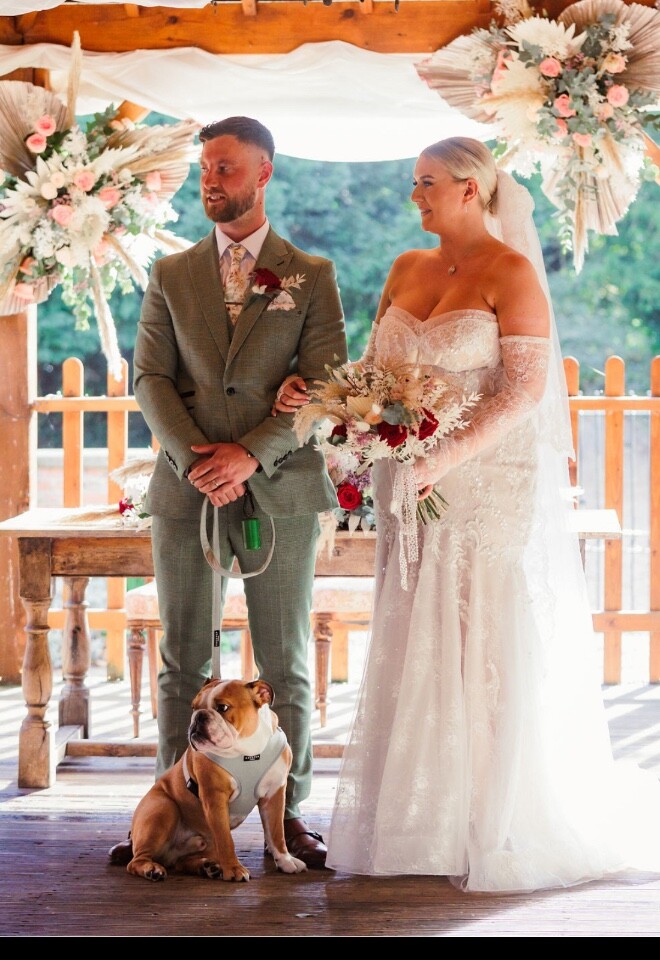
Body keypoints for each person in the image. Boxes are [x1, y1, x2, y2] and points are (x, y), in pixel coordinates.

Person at [273, 136, 660, 892]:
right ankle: (420, 823)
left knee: (473, 630)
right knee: (411, 628)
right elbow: (371, 373)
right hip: (402, 480)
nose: (413, 196)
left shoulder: (511, 272)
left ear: (470, 189)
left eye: (426, 183)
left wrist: (441, 461)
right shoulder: (404, 268)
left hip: (483, 483)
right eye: (413, 183)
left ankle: (491, 820)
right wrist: (323, 398)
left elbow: (522, 392)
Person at [111, 116, 348, 870]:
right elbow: (148, 377)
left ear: (264, 172)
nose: (210, 179)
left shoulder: (311, 275)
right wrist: (194, 460)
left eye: (225, 167)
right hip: (188, 491)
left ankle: (294, 813)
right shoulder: (170, 273)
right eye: (205, 168)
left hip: (279, 487)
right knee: (183, 656)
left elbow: (328, 384)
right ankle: (178, 810)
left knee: (285, 663)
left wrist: (250, 455)